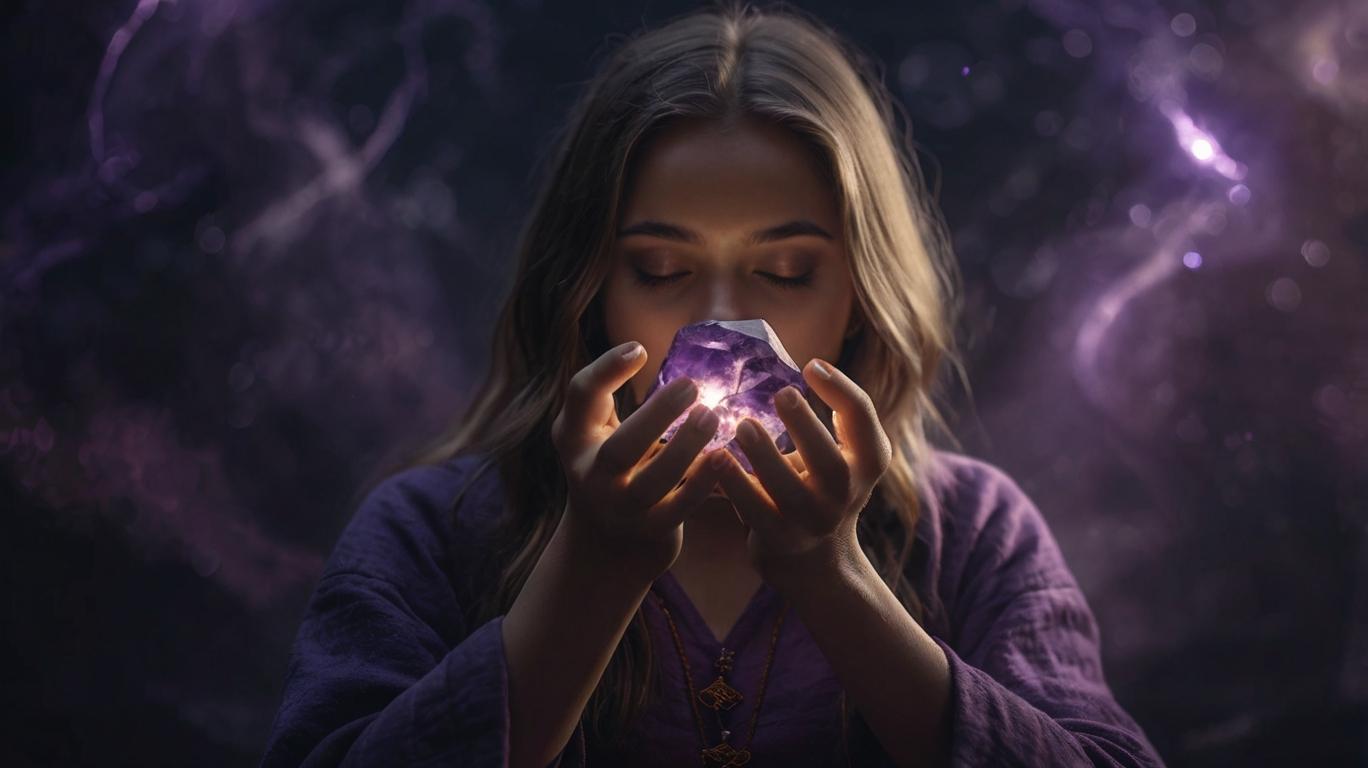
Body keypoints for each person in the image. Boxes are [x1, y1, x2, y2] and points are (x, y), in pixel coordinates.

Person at [260, 2, 1165, 766]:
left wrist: (834, 577)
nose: (726, 329)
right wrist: (591, 571)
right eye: (660, 269)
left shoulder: (972, 534)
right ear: (589, 289)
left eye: (784, 272)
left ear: (861, 292)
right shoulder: (432, 531)